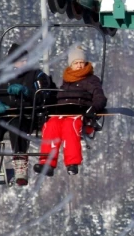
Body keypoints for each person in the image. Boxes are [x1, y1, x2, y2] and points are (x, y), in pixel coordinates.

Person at [0, 44, 55, 186]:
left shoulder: (36, 75)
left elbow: (45, 94)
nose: (23, 63)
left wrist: (27, 92)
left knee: (17, 125)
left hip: (26, 115)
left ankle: (20, 167)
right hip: (2, 114)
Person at [37, 45, 106, 176]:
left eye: (81, 62)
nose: (79, 66)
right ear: (71, 65)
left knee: (70, 125)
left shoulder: (91, 80)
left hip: (82, 115)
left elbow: (100, 97)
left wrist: (94, 108)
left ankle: (72, 163)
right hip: (63, 113)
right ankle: (47, 164)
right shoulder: (67, 80)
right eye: (76, 63)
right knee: (50, 125)